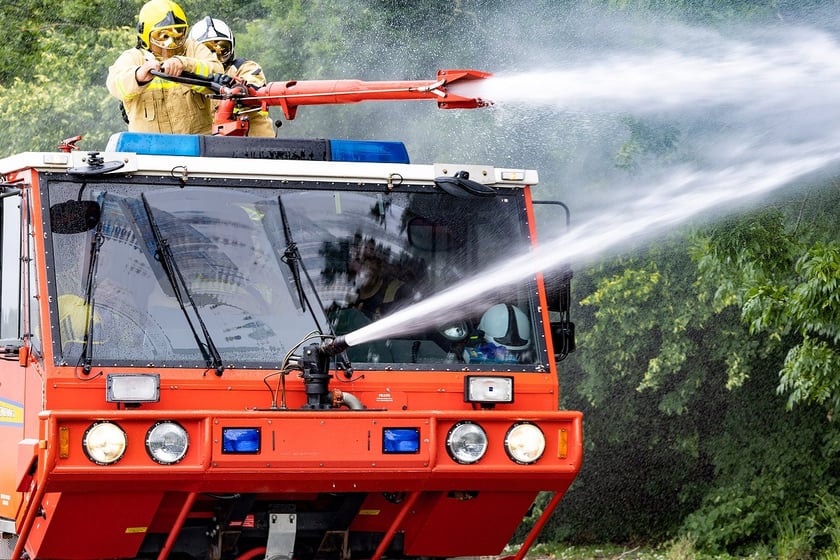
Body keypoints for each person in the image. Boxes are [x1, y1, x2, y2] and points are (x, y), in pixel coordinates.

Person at [106, 0, 223, 134]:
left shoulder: (193, 48)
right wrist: (138, 75)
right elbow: (114, 84)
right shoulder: (134, 57)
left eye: (177, 34)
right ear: (146, 34)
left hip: (196, 148)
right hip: (151, 150)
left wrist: (185, 64)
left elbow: (219, 74)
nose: (171, 43)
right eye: (163, 36)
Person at [188, 16, 276, 137]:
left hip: (257, 146)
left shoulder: (246, 67)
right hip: (213, 146)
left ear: (232, 46)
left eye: (222, 49)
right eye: (206, 50)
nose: (215, 57)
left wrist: (234, 86)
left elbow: (254, 84)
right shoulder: (188, 79)